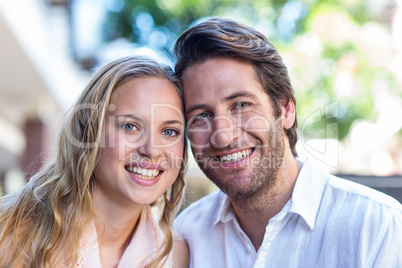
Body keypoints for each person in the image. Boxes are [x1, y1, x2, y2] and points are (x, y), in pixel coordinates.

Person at [173, 17, 402, 267]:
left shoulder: (377, 225)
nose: (224, 136)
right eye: (201, 116)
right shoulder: (186, 234)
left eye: (241, 105)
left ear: (286, 109)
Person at [0, 56, 189, 267]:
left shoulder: (175, 256)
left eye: (170, 131)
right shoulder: (9, 234)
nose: (152, 150)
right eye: (130, 126)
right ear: (90, 132)